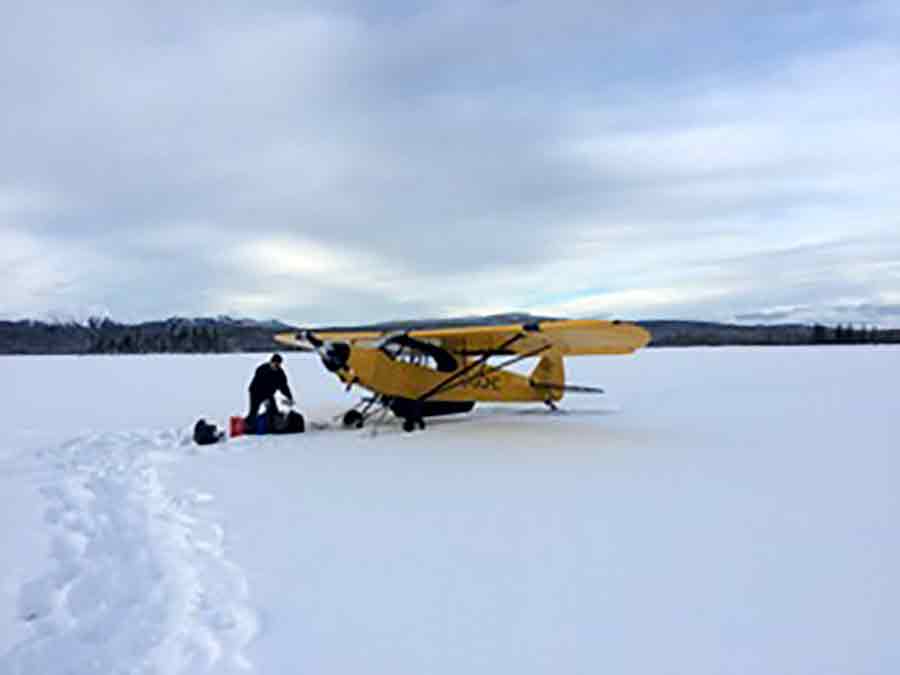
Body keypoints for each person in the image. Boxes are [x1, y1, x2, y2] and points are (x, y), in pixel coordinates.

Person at [246, 353, 294, 428]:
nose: (276, 366)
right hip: (255, 392)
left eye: (278, 364)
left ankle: (272, 426)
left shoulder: (280, 373)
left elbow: (284, 387)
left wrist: (289, 397)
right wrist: (265, 399)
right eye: (275, 364)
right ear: (271, 362)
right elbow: (259, 384)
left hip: (269, 394)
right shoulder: (262, 369)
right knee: (253, 411)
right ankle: (248, 426)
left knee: (274, 411)